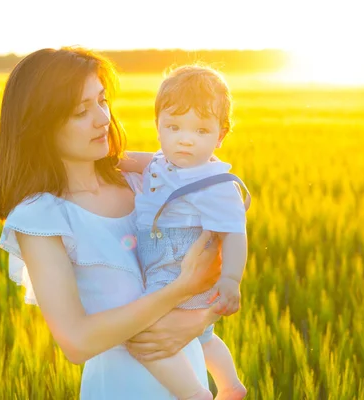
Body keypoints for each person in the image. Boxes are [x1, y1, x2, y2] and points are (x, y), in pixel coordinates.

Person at [0, 47, 223, 399]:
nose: (102, 118)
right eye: (81, 112)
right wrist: (178, 291)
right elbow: (77, 341)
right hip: (121, 387)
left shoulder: (143, 182)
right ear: (41, 125)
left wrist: (197, 320)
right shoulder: (41, 217)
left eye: (101, 101)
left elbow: (217, 199)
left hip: (189, 377)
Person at [127, 65, 249, 400]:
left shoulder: (216, 183)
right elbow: (132, 161)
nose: (185, 138)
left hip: (179, 272)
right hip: (165, 268)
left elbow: (235, 234)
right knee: (204, 336)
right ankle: (230, 385)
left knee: (143, 335)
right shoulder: (158, 163)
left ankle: (195, 394)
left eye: (201, 130)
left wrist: (231, 280)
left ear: (220, 136)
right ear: (158, 128)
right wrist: (109, 161)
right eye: (174, 126)